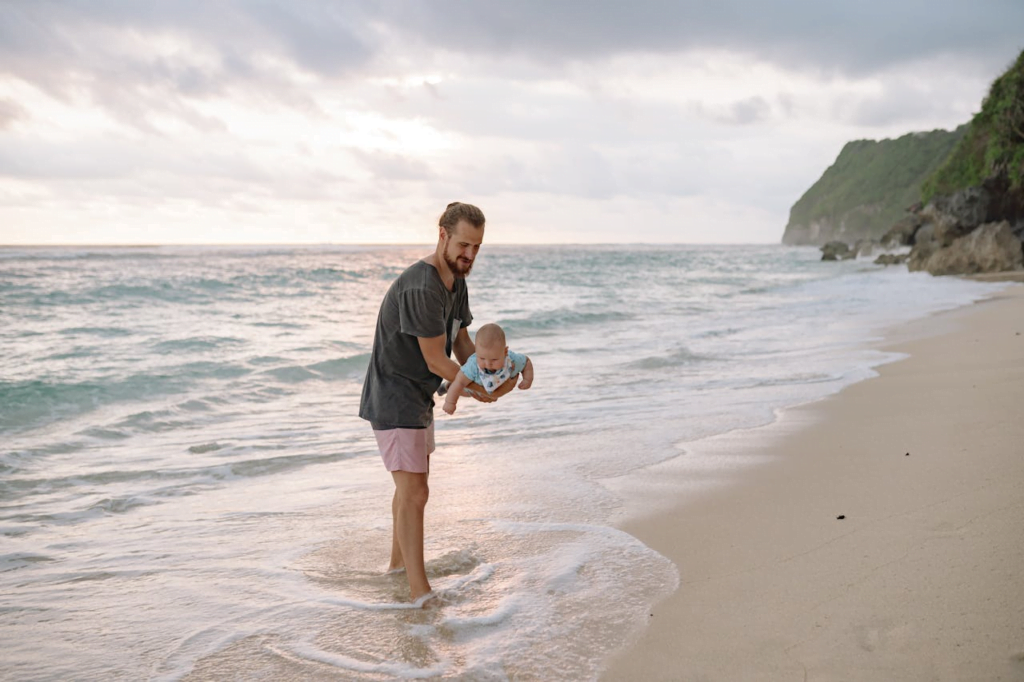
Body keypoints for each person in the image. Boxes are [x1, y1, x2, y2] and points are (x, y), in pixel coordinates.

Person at [358, 202, 517, 604]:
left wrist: (489, 375)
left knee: (409, 490)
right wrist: (472, 387)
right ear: (442, 235)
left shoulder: (455, 281)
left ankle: (397, 568)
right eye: (464, 244)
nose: (470, 254)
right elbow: (434, 358)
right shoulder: (422, 286)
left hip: (418, 397)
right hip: (394, 397)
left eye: (477, 247)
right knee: (415, 493)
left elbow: (463, 343)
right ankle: (419, 592)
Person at [440, 323, 533, 415]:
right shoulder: (473, 366)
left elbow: (526, 362)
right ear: (476, 352)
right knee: (464, 390)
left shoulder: (512, 360)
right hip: (473, 385)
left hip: (498, 384)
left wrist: (527, 379)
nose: (488, 364)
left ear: (505, 352)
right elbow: (459, 382)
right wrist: (450, 403)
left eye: (494, 359)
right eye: (482, 358)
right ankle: (446, 387)